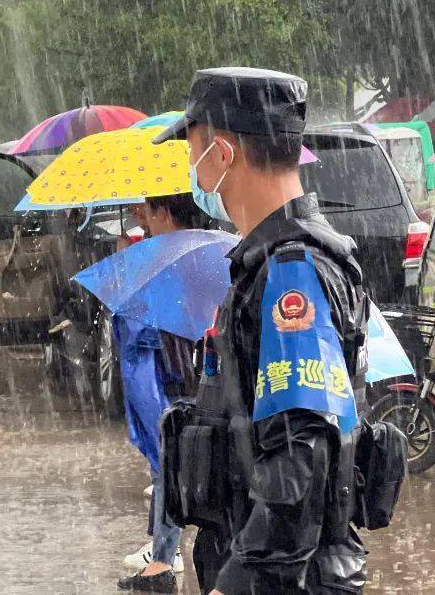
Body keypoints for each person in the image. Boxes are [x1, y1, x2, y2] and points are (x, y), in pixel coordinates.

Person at [153, 67, 372, 594]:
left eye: (193, 155)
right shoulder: (268, 265)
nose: (193, 174)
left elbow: (300, 466)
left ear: (223, 154)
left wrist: (233, 587)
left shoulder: (292, 272)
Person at [116, 193, 208, 593]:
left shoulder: (182, 260)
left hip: (182, 381)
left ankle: (165, 558)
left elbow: (146, 331)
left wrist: (130, 277)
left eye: (150, 212)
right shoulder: (190, 253)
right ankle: (162, 555)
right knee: (170, 467)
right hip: (185, 378)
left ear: (165, 212)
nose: (146, 220)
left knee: (170, 463)